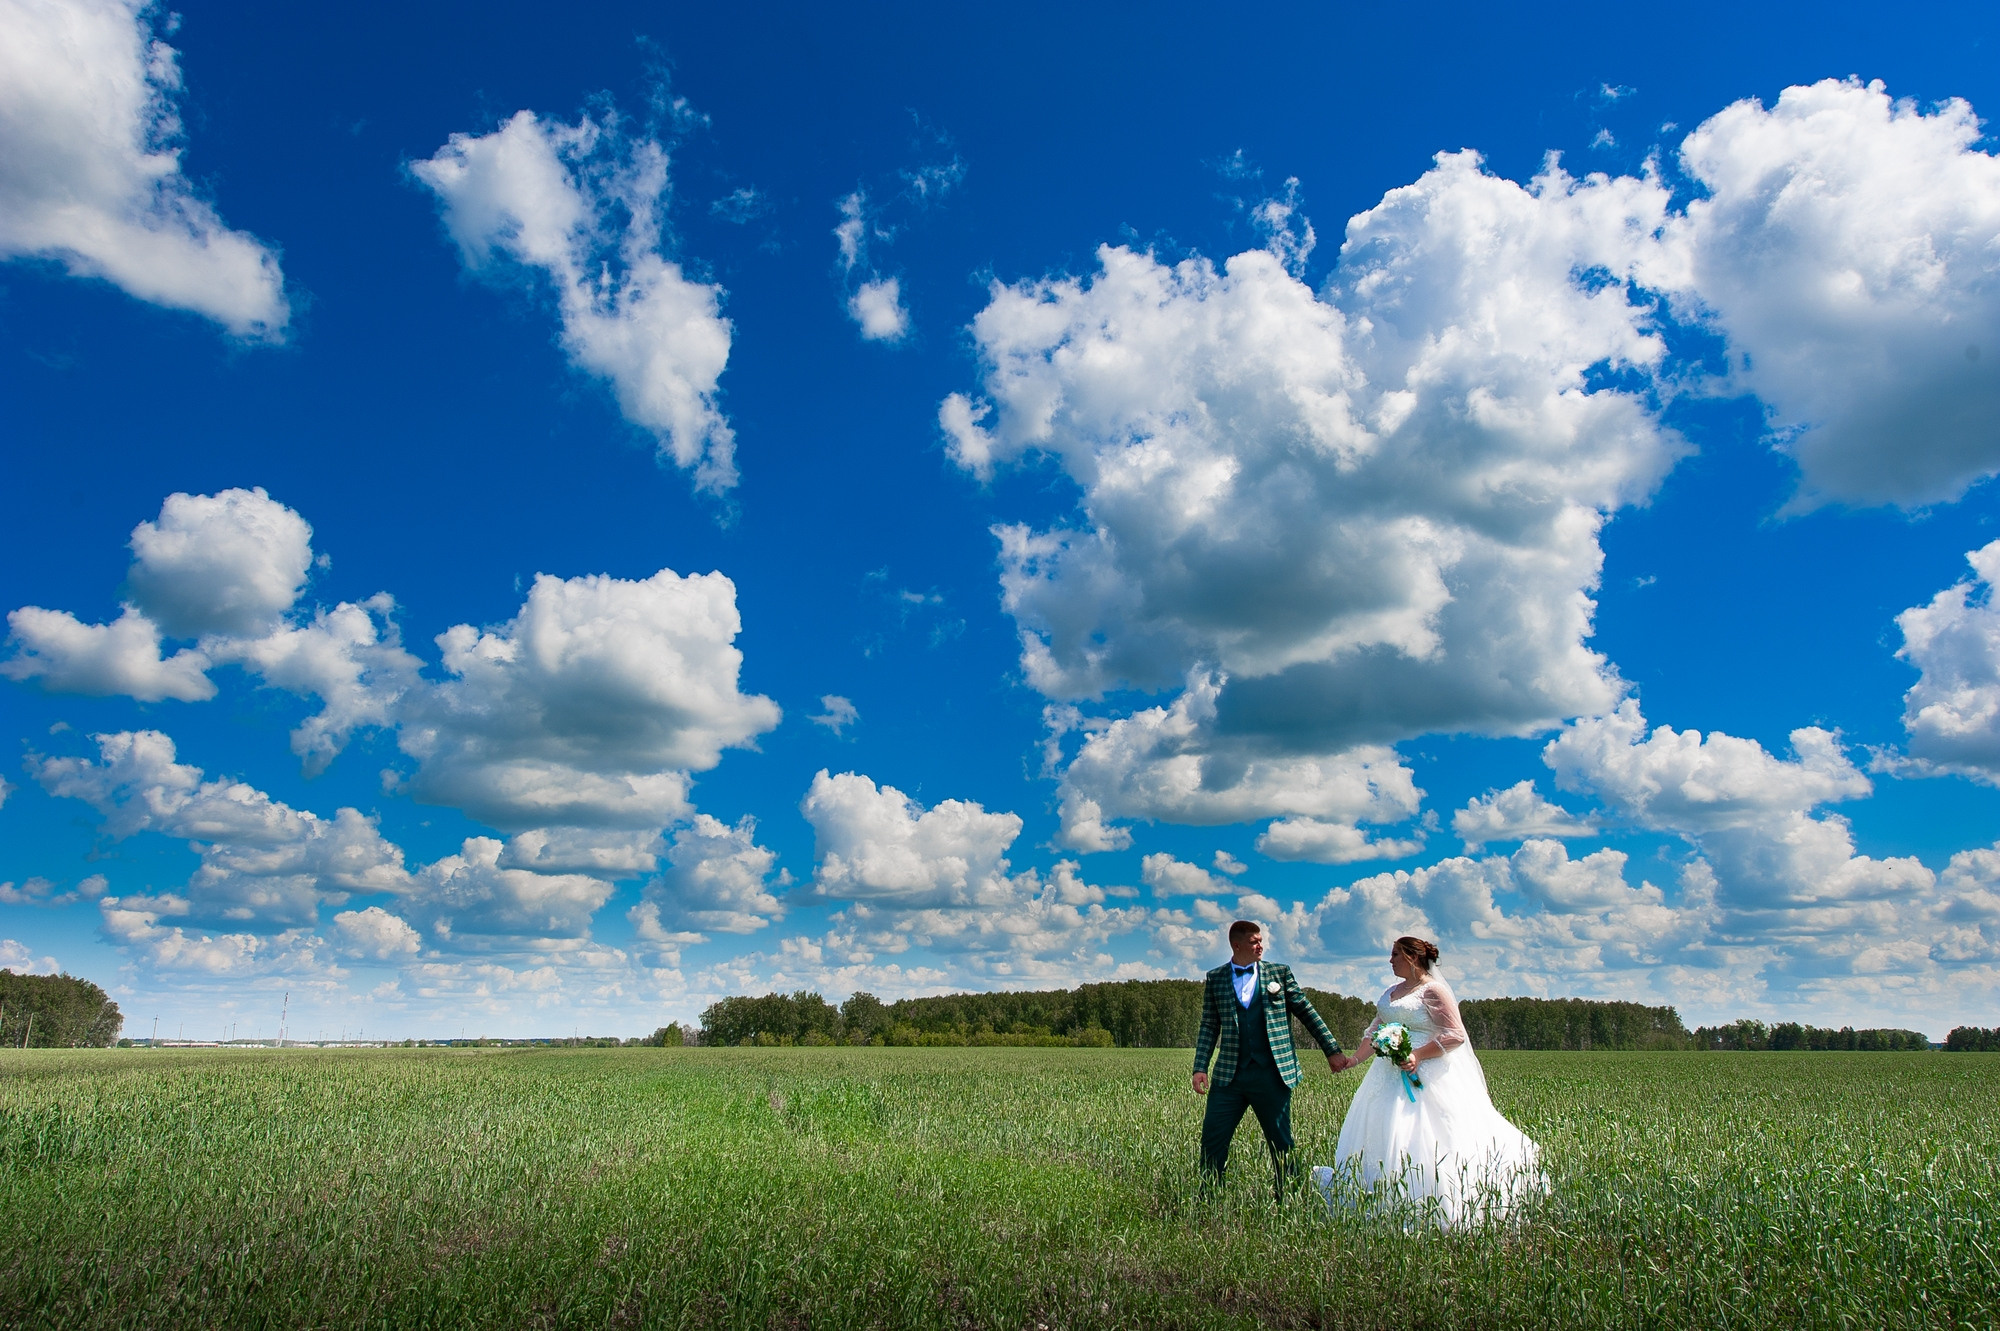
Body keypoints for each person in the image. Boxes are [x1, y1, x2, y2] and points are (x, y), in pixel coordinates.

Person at [1318, 935, 1544, 1227]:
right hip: (1386, 1075)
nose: (1390, 960)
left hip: (1428, 1073)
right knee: (1382, 1130)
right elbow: (1375, 1031)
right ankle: (1379, 1199)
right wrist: (1354, 1060)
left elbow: (1455, 1035)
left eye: (1395, 954)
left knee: (1423, 1133)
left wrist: (1417, 1055)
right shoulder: (1391, 992)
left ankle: (1427, 1201)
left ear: (1412, 957)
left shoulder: (1433, 990)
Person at [1192, 919, 1344, 1199]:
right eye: (1254, 942)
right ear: (1237, 945)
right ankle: (1208, 1201)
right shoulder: (1216, 978)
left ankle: (1290, 1200)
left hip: (1272, 1074)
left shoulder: (1279, 973)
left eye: (1261, 940)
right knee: (1213, 1139)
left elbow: (1306, 1011)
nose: (1260, 946)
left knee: (1281, 1143)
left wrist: (1331, 1049)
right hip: (1229, 1077)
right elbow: (1209, 1025)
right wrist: (1200, 1066)